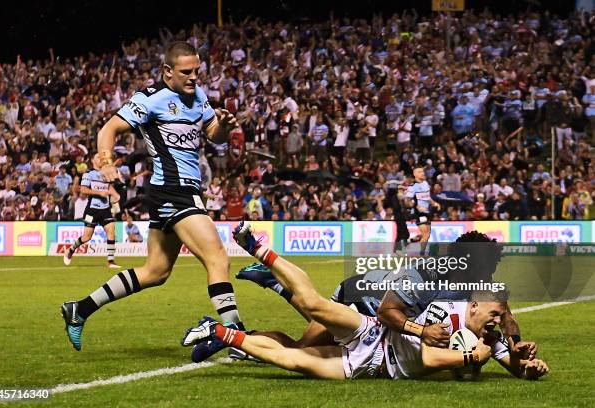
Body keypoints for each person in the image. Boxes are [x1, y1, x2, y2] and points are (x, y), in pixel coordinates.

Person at [60, 42, 246, 360]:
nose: (193, 77)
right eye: (186, 72)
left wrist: (223, 129)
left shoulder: (198, 95)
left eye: (197, 71)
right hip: (172, 190)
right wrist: (105, 162)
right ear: (167, 71)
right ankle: (238, 340)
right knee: (217, 258)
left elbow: (212, 133)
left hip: (184, 190)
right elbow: (109, 128)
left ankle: (79, 309)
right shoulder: (150, 99)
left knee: (156, 271)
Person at [182, 224, 548, 381]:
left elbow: (505, 316)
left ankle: (243, 316)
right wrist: (423, 330)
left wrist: (517, 349)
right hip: (365, 299)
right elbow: (389, 312)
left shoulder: (476, 289)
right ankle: (272, 281)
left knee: (300, 348)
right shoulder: (431, 273)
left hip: (383, 328)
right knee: (307, 335)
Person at [63, 154, 122, 268]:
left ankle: (110, 261)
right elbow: (84, 190)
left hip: (105, 208)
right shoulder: (88, 174)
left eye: (102, 157)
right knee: (86, 237)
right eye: (98, 157)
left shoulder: (105, 173)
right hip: (92, 209)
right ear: (92, 160)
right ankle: (70, 250)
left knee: (111, 230)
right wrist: (99, 193)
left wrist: (115, 194)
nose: (101, 159)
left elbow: (108, 187)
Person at [404, 167, 441, 253]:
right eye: (420, 172)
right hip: (418, 213)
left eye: (423, 172)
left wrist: (434, 203)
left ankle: (410, 241)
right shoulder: (413, 186)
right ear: (415, 174)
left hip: (427, 212)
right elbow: (407, 201)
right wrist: (416, 206)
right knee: (425, 234)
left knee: (426, 234)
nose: (423, 173)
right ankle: (421, 255)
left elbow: (427, 197)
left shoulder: (425, 183)